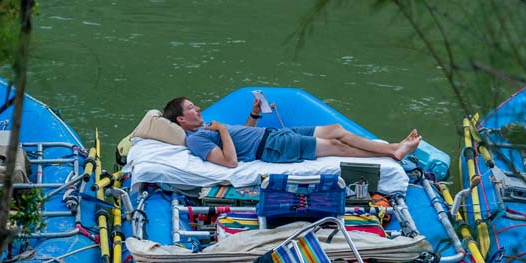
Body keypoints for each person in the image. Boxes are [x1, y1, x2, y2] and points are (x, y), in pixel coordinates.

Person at [161, 96, 421, 168]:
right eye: (192, 108)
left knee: (336, 129)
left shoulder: (207, 128)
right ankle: (392, 152)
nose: (198, 109)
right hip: (274, 149)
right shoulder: (196, 140)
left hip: (273, 136)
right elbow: (230, 161)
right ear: (182, 119)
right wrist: (223, 130)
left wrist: (254, 114)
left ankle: (393, 149)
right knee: (337, 147)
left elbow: (242, 137)